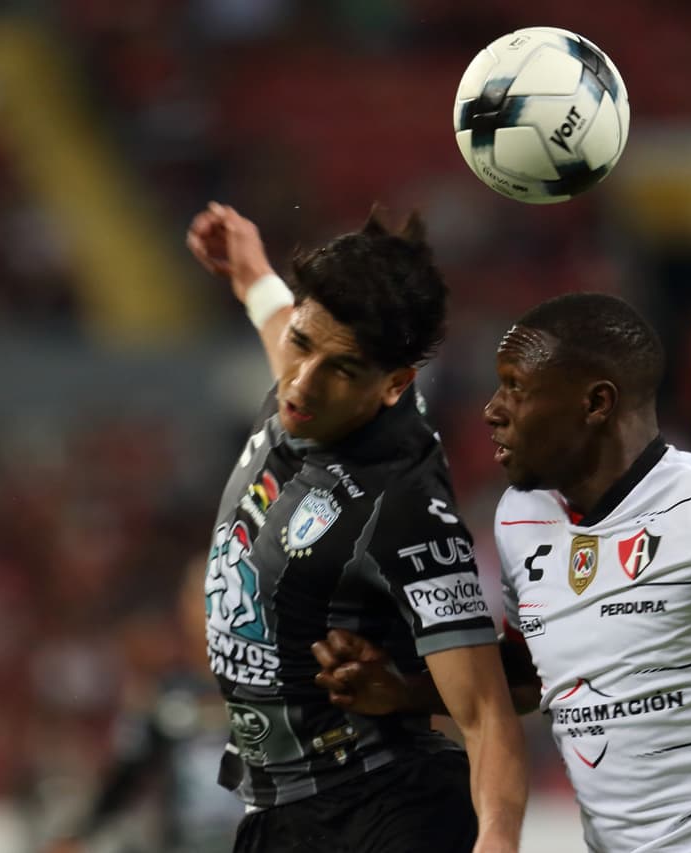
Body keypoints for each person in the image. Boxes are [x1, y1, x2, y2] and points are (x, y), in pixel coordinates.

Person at [312, 293, 691, 852]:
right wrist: (405, 689)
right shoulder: (522, 515)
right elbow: (536, 673)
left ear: (596, 404)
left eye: (516, 389)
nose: (492, 411)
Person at [185, 202, 528, 853]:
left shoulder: (400, 503)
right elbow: (283, 321)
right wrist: (248, 264)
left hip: (383, 811)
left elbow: (486, 715)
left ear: (394, 384)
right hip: (279, 816)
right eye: (303, 346)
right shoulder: (307, 380)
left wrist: (499, 839)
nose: (302, 384)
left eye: (340, 369)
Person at [44, 558, 243, 853]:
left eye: (224, 595)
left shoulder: (267, 689)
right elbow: (128, 772)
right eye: (202, 599)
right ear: (183, 609)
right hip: (184, 843)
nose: (211, 611)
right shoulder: (164, 694)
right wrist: (80, 832)